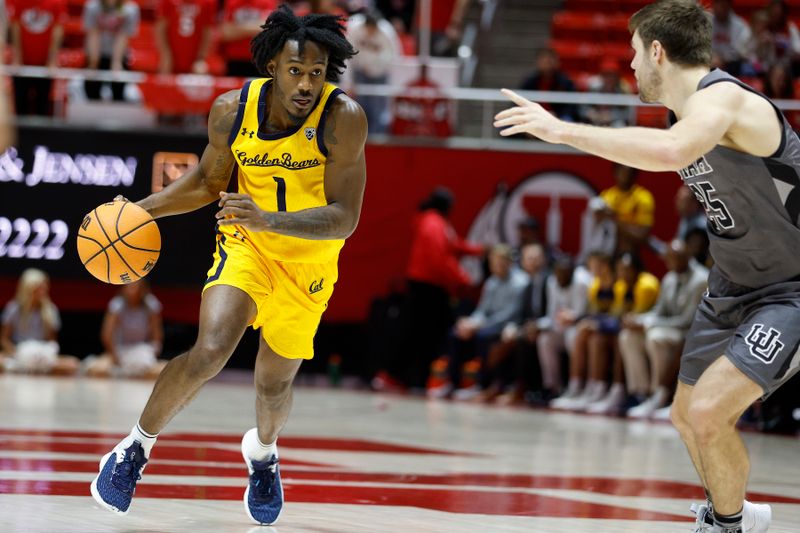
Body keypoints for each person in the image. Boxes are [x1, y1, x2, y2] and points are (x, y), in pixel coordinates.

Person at [495, 1, 795, 531]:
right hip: (730, 284)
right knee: (684, 415)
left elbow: (671, 151)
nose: (631, 66)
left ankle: (725, 525)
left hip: (789, 288)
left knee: (708, 413)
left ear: (657, 51)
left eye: (634, 54)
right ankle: (738, 513)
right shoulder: (681, 113)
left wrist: (564, 131)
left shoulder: (725, 100)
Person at [90, 6, 364, 526]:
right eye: (295, 71)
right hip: (247, 246)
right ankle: (133, 449)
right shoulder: (232, 111)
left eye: (316, 73)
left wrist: (269, 218)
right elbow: (206, 185)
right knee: (211, 349)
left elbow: (344, 218)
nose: (306, 84)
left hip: (308, 262)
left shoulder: (342, 117)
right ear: (272, 67)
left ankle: (262, 454)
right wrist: (136, 212)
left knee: (273, 386)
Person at [620, 240, 708, 419]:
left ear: (686, 257)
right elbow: (659, 311)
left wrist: (649, 324)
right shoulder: (670, 278)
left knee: (655, 337)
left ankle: (659, 395)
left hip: (690, 333)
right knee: (628, 336)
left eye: (673, 259)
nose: (669, 263)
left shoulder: (700, 279)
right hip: (669, 329)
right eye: (668, 259)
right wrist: (639, 319)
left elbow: (687, 320)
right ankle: (641, 393)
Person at [0, 268, 78, 375]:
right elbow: (4, 339)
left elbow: (52, 341)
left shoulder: (51, 309)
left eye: (45, 286)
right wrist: (17, 353)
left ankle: (29, 369)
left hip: (41, 355)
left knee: (72, 364)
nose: (44, 289)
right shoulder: (13, 308)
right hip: (18, 353)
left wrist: (46, 354)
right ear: (28, 288)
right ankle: (23, 368)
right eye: (40, 287)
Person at [85, 280, 166, 379]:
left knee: (161, 372)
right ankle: (122, 371)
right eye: (130, 287)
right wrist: (115, 357)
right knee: (97, 370)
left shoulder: (151, 304)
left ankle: (131, 372)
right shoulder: (117, 304)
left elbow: (157, 335)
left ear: (142, 288)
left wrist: (152, 353)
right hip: (120, 350)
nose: (132, 290)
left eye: (135, 287)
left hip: (142, 350)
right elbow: (107, 335)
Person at [8, 0, 66, 116]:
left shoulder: (56, 2)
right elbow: (15, 27)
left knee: (43, 103)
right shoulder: (18, 2)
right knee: (20, 103)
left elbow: (58, 30)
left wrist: (52, 60)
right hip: (23, 63)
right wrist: (17, 58)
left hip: (44, 64)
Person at [82, 0, 140, 101]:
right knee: (91, 89)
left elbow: (123, 36)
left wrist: (116, 62)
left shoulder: (130, 9)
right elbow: (93, 34)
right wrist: (93, 63)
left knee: (118, 90)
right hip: (95, 53)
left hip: (120, 55)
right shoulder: (92, 7)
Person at [154, 0, 216, 75]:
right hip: (171, 56)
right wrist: (166, 54)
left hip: (194, 57)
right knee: (164, 80)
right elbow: (160, 29)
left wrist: (201, 58)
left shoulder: (206, 3)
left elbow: (207, 32)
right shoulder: (168, 2)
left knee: (201, 72)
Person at [220, 0, 277, 77]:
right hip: (235, 59)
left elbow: (270, 29)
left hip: (260, 59)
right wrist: (256, 26)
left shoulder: (267, 2)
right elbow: (226, 33)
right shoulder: (232, 2)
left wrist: (237, 28)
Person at [710, 0, 752, 76]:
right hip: (710, 62)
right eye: (717, 5)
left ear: (729, 6)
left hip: (731, 66)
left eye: (723, 6)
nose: (719, 9)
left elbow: (741, 52)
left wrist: (723, 59)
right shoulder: (707, 20)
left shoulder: (740, 26)